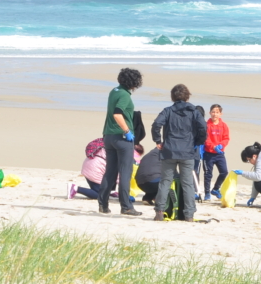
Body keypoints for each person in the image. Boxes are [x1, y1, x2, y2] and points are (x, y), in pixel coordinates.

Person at [150, 84, 206, 222]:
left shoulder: (168, 111)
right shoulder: (194, 111)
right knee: (187, 183)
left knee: (165, 181)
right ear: (187, 96)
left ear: (173, 97)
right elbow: (203, 127)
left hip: (169, 150)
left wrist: (158, 140)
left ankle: (159, 211)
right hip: (187, 151)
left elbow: (156, 124)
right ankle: (189, 215)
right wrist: (198, 141)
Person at [98, 67, 144, 216]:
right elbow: (117, 114)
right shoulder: (124, 95)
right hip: (121, 137)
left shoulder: (114, 91)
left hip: (108, 136)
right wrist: (127, 131)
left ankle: (103, 204)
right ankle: (126, 206)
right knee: (125, 172)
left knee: (110, 171)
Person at [72, 139, 143, 200]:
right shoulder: (122, 156)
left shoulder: (115, 147)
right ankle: (75, 188)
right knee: (100, 195)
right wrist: (126, 194)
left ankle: (111, 191)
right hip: (95, 169)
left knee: (107, 181)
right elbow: (119, 176)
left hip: (90, 163)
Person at [202, 104, 230, 200]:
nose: (215, 114)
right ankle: (207, 193)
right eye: (213, 112)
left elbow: (226, 138)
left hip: (220, 154)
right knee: (208, 174)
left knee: (224, 172)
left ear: (220, 114)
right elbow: (206, 139)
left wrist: (221, 145)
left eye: (217, 112)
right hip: (208, 154)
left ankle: (215, 189)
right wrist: (213, 146)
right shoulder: (206, 125)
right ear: (210, 113)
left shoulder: (224, 125)